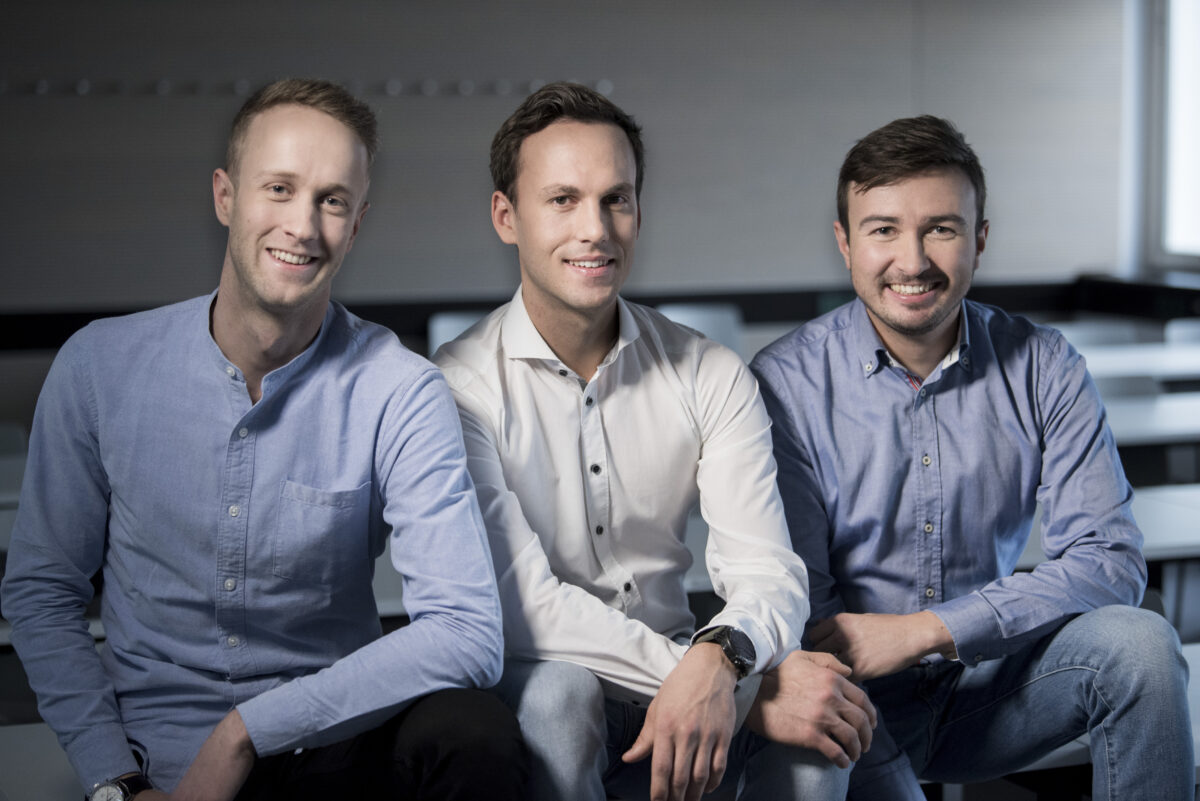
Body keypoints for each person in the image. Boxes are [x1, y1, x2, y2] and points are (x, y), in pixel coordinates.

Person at [1, 78, 526, 801]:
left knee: (476, 732)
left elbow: (468, 630)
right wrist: (113, 780)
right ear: (225, 196)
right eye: (278, 188)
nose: (303, 226)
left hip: (334, 748)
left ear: (357, 221)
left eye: (332, 200)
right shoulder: (98, 367)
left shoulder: (401, 389)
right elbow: (41, 594)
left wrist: (245, 730)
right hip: (156, 759)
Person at [434, 81, 876, 801]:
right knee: (561, 696)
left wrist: (726, 657)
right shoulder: (455, 386)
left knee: (818, 722)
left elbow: (769, 572)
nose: (596, 229)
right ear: (506, 216)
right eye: (563, 200)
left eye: (617, 198)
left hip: (698, 677)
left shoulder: (709, 371)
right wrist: (734, 682)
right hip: (549, 687)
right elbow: (526, 607)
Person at [750, 114, 1194, 800]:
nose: (913, 258)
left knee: (1142, 647)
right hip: (844, 696)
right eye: (884, 229)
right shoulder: (785, 381)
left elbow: (1110, 558)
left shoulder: (1044, 363)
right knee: (811, 727)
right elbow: (802, 608)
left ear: (979, 240)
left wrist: (927, 631)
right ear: (844, 242)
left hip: (989, 684)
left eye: (942, 228)